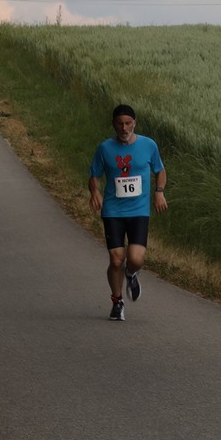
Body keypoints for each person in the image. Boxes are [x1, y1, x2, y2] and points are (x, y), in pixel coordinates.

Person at [87, 105, 167, 323]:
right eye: (120, 124)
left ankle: (131, 273)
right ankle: (117, 302)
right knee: (116, 260)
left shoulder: (148, 145)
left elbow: (160, 170)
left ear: (135, 123)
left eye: (128, 123)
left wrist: (159, 192)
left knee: (135, 259)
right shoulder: (105, 148)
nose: (124, 128)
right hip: (113, 211)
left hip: (139, 211)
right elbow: (94, 175)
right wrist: (95, 192)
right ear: (114, 125)